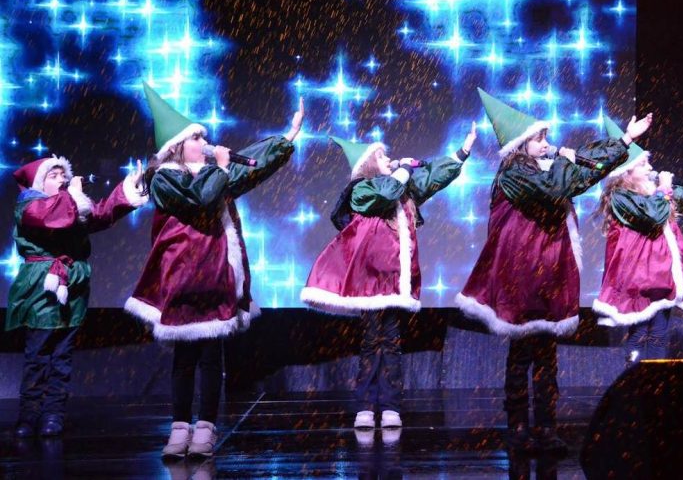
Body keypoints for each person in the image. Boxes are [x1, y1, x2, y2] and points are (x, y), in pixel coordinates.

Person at [456, 88, 651, 452]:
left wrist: (624, 140)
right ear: (521, 146)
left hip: (548, 276)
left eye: (547, 137)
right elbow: (557, 187)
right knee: (521, 355)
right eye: (540, 139)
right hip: (522, 277)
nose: (547, 144)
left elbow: (582, 173)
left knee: (547, 356)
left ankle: (546, 427)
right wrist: (565, 157)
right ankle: (518, 427)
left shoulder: (544, 170)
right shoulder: (514, 173)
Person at [124, 83, 303, 458]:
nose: (204, 142)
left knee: (210, 357)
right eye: (196, 138)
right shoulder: (165, 178)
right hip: (182, 277)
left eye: (203, 137)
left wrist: (286, 137)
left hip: (216, 274)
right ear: (176, 146)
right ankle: (179, 429)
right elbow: (200, 199)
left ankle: (205, 428)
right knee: (184, 359)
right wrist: (220, 167)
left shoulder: (215, 174)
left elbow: (251, 164)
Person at [301, 124, 477, 429]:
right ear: (369, 164)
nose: (389, 159)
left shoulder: (401, 189)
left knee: (392, 342)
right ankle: (366, 406)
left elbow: (432, 178)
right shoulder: (362, 190)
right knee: (371, 341)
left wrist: (462, 152)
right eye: (382, 156)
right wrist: (404, 170)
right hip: (370, 281)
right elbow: (386, 192)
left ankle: (391, 405)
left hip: (394, 281)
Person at [8, 154, 146, 437]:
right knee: (37, 354)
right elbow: (50, 217)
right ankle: (28, 415)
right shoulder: (29, 205)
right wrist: (72, 194)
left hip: (72, 284)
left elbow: (102, 213)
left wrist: (128, 187)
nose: (63, 180)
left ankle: (53, 415)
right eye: (54, 175)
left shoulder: (71, 204)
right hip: (41, 286)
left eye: (64, 175)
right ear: (39, 183)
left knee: (62, 355)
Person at [592, 128, 683, 364]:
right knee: (639, 331)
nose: (650, 168)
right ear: (626, 172)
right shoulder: (621, 197)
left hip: (661, 274)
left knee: (659, 333)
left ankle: (655, 379)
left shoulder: (658, 193)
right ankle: (636, 376)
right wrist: (663, 189)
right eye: (643, 165)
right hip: (638, 277)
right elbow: (652, 215)